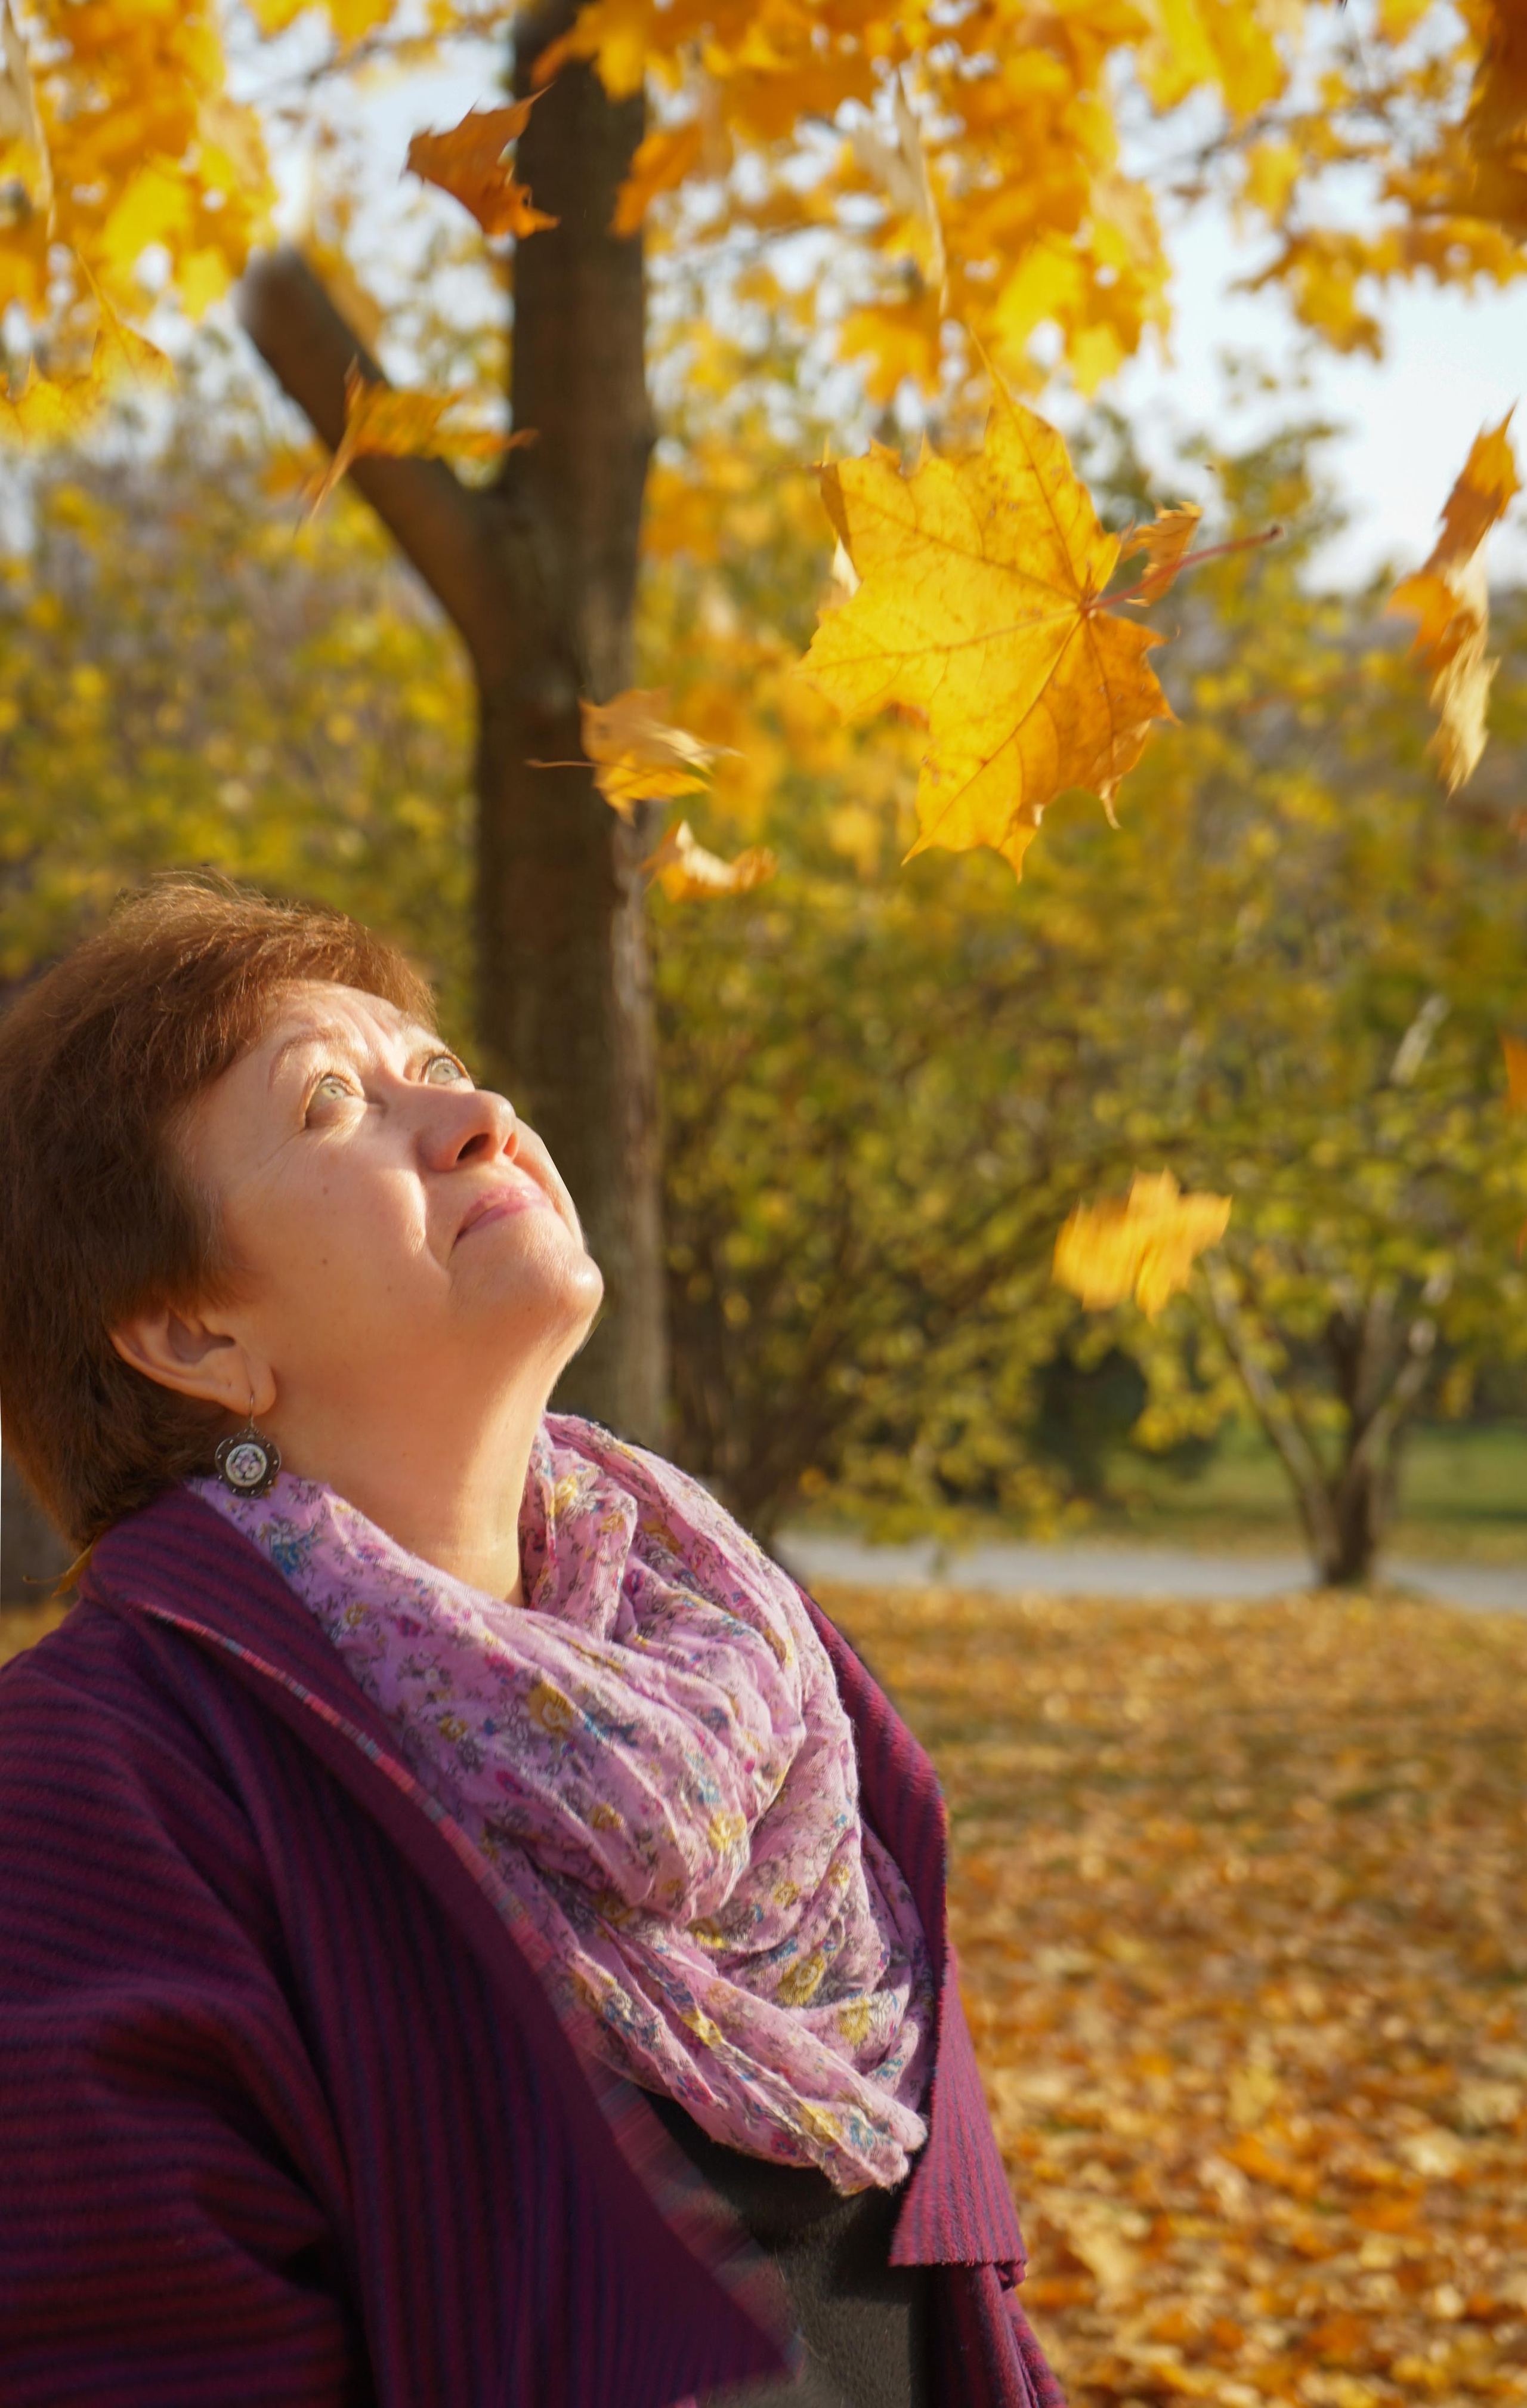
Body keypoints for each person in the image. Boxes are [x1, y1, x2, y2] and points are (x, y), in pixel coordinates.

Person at [0, 874, 1062, 2408]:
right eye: (331, 1104)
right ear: (194, 1334)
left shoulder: (746, 1659)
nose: (479, 1116)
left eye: (439, 1067)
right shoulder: (93, 1793)